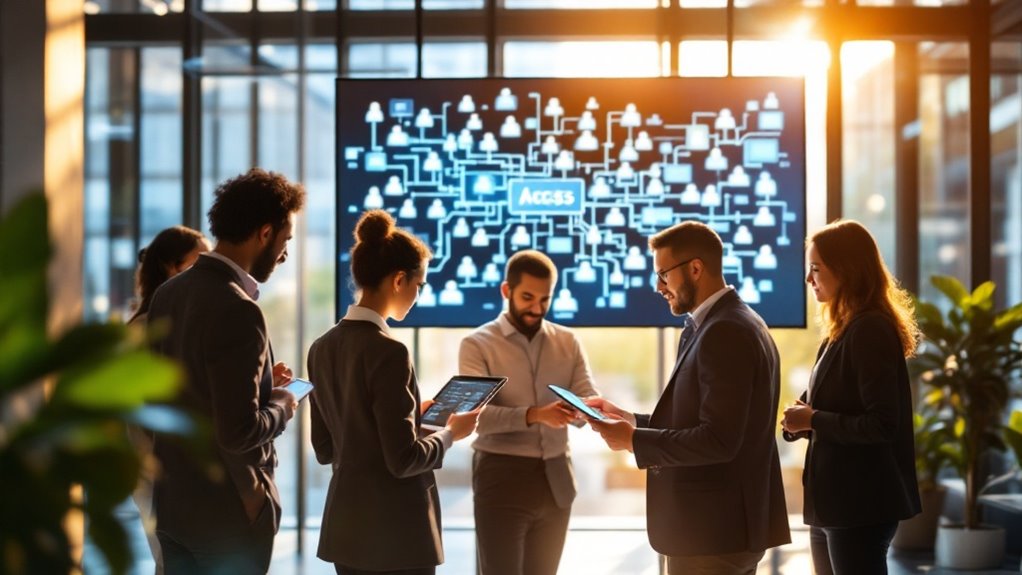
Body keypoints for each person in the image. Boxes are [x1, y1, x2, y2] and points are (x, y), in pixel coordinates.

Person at [586, 221, 790, 575]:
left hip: (712, 534)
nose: (658, 287)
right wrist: (631, 420)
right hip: (720, 531)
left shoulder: (725, 330)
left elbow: (719, 440)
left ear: (696, 268)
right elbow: (700, 419)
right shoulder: (728, 322)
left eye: (663, 275)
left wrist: (634, 441)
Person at [147, 168, 305, 574]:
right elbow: (238, 432)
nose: (286, 254)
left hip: (172, 507)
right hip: (227, 516)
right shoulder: (239, 308)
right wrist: (285, 404)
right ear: (265, 233)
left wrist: (266, 385)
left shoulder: (168, 294)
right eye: (286, 240)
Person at [308, 209, 479, 575]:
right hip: (397, 538)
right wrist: (451, 433)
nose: (418, 296)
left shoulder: (321, 347)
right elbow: (403, 460)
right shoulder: (390, 351)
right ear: (399, 280)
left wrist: (413, 414)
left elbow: (326, 448)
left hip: (347, 533)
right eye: (420, 285)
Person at [781, 220, 921, 575]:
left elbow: (881, 424)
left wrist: (812, 420)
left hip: (858, 506)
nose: (809, 279)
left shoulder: (869, 329)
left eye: (816, 269)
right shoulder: (841, 329)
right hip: (833, 506)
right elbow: (825, 402)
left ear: (847, 270)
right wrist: (800, 420)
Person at [458, 249, 598, 575]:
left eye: (545, 299)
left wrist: (585, 411)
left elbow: (588, 394)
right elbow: (475, 418)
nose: (537, 308)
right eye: (527, 297)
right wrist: (536, 415)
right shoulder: (477, 344)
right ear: (506, 291)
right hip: (501, 478)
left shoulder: (569, 342)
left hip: (557, 482)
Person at [129, 225, 210, 572]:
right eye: (199, 261)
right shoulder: (147, 329)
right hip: (156, 467)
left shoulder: (169, 324)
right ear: (170, 267)